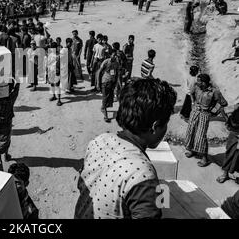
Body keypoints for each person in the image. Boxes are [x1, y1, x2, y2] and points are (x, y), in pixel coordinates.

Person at [74, 79, 177, 219]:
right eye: (165, 124)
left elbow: (82, 184)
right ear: (154, 127)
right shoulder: (143, 174)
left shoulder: (99, 141)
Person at [185, 74, 228, 167]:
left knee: (201, 136)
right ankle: (192, 150)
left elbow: (223, 103)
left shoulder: (214, 91)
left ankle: (205, 158)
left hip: (205, 114)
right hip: (195, 112)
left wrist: (214, 112)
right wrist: (193, 103)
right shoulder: (197, 87)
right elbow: (191, 94)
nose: (197, 82)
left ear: (204, 83)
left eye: (199, 81)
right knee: (191, 131)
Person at [216, 105, 239, 184]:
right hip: (234, 135)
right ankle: (225, 174)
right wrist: (227, 119)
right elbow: (223, 110)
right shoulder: (237, 108)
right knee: (229, 154)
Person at [98, 50, 120, 122]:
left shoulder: (116, 63)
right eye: (113, 55)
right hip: (105, 82)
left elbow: (117, 73)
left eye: (116, 55)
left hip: (112, 82)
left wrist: (115, 82)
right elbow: (99, 72)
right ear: (110, 55)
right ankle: (105, 115)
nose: (115, 56)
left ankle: (103, 108)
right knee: (105, 98)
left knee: (109, 97)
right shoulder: (106, 62)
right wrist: (98, 83)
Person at [48, 42, 62, 106]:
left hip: (57, 72)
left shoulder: (59, 55)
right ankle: (54, 96)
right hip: (51, 71)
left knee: (57, 85)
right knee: (52, 84)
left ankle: (59, 99)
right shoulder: (50, 55)